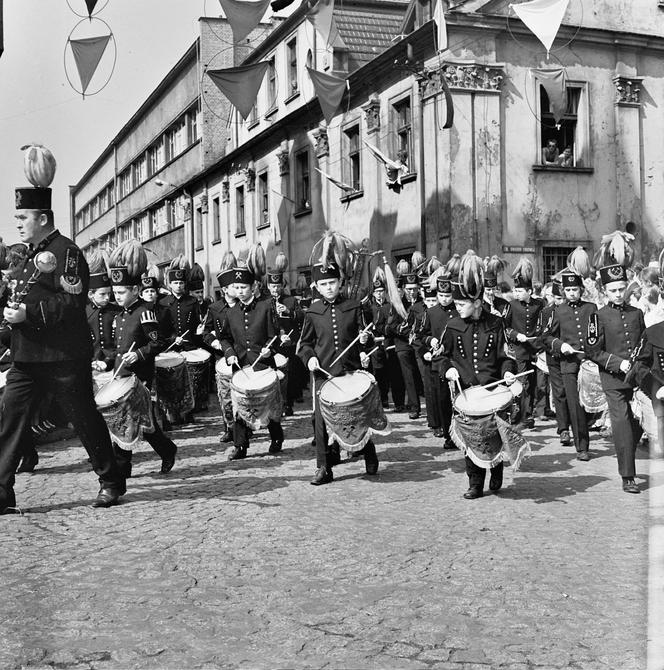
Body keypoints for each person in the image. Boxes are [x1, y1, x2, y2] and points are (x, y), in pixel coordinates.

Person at [0, 164, 126, 512]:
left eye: (22, 216)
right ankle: (2, 491)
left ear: (42, 218)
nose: (18, 223)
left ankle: (111, 480)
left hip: (62, 357)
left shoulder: (65, 252)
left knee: (84, 418)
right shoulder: (28, 255)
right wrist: (14, 315)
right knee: (9, 418)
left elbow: (71, 303)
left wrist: (29, 315)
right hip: (26, 356)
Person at [435, 252, 517, 499]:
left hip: (493, 389)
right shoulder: (452, 326)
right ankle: (474, 483)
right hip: (466, 393)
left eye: (461, 304)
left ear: (478, 302)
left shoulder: (496, 323)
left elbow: (506, 357)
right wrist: (447, 369)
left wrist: (509, 374)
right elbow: (441, 356)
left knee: (495, 435)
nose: (456, 307)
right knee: (471, 440)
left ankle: (497, 468)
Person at [299, 253, 377, 485]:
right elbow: (304, 345)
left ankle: (368, 451)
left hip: (350, 371)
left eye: (332, 282)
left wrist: (364, 341)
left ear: (340, 282)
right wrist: (310, 359)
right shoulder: (312, 312)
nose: (328, 287)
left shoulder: (353, 307)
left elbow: (367, 336)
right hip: (324, 374)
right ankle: (323, 466)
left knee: (358, 416)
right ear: (317, 287)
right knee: (322, 422)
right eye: (323, 284)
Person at [107, 240, 178, 478]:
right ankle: (166, 449)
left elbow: (158, 343)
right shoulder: (119, 316)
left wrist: (137, 355)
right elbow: (116, 348)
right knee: (133, 422)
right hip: (122, 374)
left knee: (129, 421)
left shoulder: (145, 312)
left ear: (135, 290)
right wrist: (106, 362)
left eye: (121, 292)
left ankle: (123, 467)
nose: (117, 296)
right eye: (115, 292)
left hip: (140, 376)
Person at [586, 259, 644, 493]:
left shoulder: (637, 313)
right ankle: (628, 476)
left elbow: (644, 344)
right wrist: (618, 364)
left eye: (621, 289)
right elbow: (593, 351)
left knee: (641, 423)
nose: (618, 294)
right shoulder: (597, 316)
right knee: (621, 424)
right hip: (613, 379)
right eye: (613, 290)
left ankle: (630, 445)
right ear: (604, 291)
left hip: (639, 377)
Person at [220, 260, 285, 460]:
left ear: (253, 287)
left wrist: (270, 350)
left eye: (243, 287)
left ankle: (276, 437)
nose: (239, 291)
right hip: (241, 365)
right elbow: (225, 338)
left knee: (268, 403)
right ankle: (240, 446)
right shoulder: (230, 312)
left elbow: (275, 335)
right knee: (240, 406)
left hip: (263, 363)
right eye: (236, 287)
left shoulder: (266, 307)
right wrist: (229, 353)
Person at [543, 256, 597, 460]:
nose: (572, 293)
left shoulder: (591, 308)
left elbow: (596, 333)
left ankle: (586, 432)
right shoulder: (558, 311)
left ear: (581, 290)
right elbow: (546, 338)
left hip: (589, 362)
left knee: (589, 404)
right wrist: (560, 345)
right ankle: (582, 446)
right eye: (568, 291)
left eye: (575, 290)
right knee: (574, 404)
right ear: (563, 292)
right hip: (568, 364)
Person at [202, 259, 240, 444]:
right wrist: (215, 342)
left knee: (241, 394)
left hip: (242, 356)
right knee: (225, 396)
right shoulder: (215, 308)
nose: (238, 290)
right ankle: (228, 428)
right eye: (234, 286)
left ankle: (244, 428)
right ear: (225, 289)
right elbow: (206, 332)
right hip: (222, 357)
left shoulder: (243, 305)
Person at [504, 257, 544, 429]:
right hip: (519, 350)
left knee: (536, 384)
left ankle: (530, 414)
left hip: (535, 349)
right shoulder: (512, 305)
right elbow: (505, 327)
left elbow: (544, 324)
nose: (516, 293)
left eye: (520, 290)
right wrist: (515, 335)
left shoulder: (539, 304)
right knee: (522, 383)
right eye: (515, 290)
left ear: (529, 291)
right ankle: (521, 415)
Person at [420, 276, 457, 447]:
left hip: (457, 361)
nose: (444, 299)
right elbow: (421, 335)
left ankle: (461, 433)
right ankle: (448, 434)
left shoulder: (459, 310)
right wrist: (430, 341)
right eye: (441, 296)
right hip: (439, 363)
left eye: (448, 296)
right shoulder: (431, 312)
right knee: (443, 401)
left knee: (458, 400)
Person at [266, 252, 304, 416]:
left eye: (278, 286)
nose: (275, 289)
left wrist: (288, 311)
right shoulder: (264, 302)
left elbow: (302, 317)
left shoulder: (291, 300)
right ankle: (274, 403)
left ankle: (288, 404)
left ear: (283, 286)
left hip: (289, 344)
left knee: (290, 377)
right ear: (268, 287)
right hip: (272, 345)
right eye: (273, 287)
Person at [537, 280, 572, 446]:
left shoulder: (573, 310)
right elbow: (543, 336)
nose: (559, 302)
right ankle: (563, 428)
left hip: (573, 358)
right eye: (557, 298)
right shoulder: (547, 312)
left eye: (562, 299)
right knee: (559, 392)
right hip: (554, 357)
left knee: (573, 392)